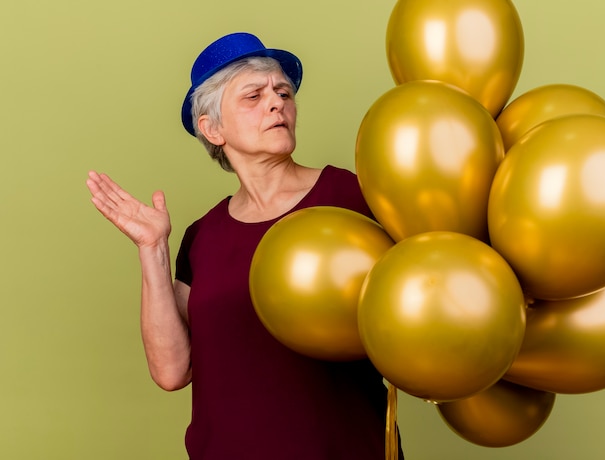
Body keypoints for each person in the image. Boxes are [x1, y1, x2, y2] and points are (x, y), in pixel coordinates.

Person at [87, 32, 401, 460]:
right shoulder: (203, 237)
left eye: (283, 92)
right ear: (212, 128)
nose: (277, 103)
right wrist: (153, 249)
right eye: (253, 96)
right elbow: (173, 370)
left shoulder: (351, 196)